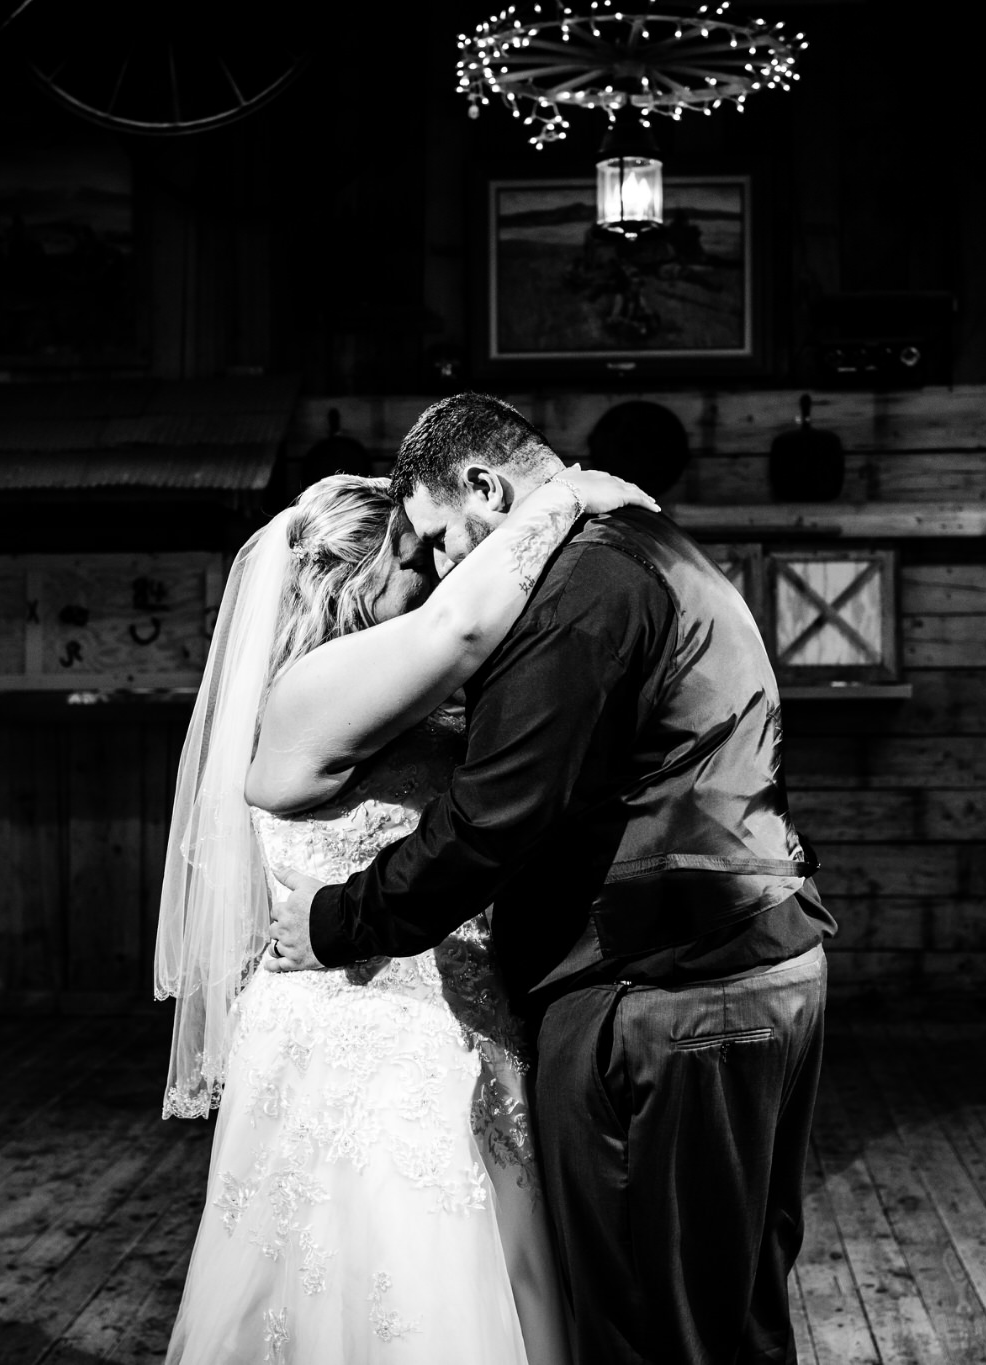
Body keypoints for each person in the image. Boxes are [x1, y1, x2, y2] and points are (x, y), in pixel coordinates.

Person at [268, 393, 835, 1365]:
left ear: (485, 485)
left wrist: (334, 922)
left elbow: (493, 820)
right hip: (757, 954)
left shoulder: (576, 589)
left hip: (656, 983)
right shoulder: (653, 547)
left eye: (441, 539)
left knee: (639, 1322)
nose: (445, 574)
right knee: (732, 1311)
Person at [159, 465, 660, 1364]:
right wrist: (559, 498)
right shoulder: (309, 694)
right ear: (360, 576)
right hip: (370, 1032)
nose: (436, 571)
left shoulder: (400, 692)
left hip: (453, 1012)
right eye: (417, 557)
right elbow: (458, 628)